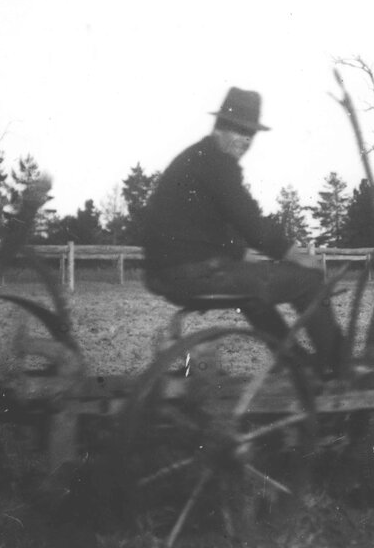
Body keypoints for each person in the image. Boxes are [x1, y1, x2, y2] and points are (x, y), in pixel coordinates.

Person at [142, 87, 344, 377]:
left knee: (252, 293)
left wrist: (238, 253)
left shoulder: (197, 158)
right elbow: (250, 221)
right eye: (238, 130)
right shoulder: (216, 163)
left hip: (170, 272)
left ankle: (295, 363)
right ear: (220, 127)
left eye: (250, 133)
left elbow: (201, 225)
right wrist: (295, 255)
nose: (245, 140)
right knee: (308, 281)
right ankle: (337, 372)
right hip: (193, 273)